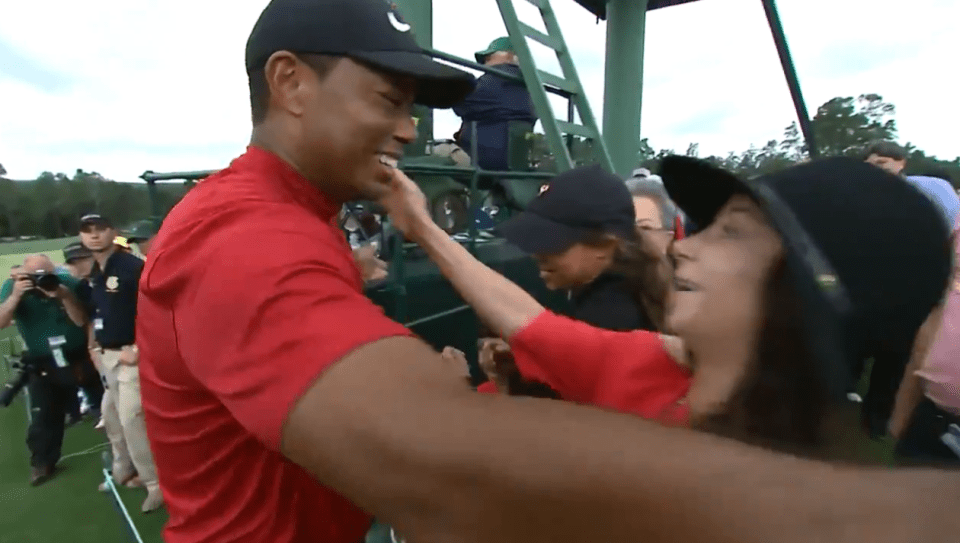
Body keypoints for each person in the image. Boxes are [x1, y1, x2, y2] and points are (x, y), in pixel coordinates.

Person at [134, 1, 960, 542]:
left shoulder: (291, 221)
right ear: (290, 84)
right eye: (388, 97)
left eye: (734, 231)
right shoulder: (245, 232)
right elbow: (445, 455)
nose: (405, 126)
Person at [79, 213, 163, 513]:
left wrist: (140, 348)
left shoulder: (131, 267)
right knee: (111, 416)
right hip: (108, 354)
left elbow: (156, 308)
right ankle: (124, 471)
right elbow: (97, 313)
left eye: (100, 229)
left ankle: (155, 484)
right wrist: (95, 345)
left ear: (112, 232)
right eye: (87, 231)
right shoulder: (97, 271)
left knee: (131, 418)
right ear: (81, 237)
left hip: (131, 355)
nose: (94, 236)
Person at [0, 254, 91, 485]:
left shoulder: (66, 283)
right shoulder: (13, 287)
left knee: (103, 401)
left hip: (79, 354)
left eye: (46, 275)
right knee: (44, 414)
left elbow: (82, 319)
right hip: (42, 359)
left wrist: (63, 294)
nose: (42, 281)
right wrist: (17, 295)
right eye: (35, 277)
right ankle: (43, 462)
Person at [454, 36, 537, 172]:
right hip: (516, 164)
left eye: (488, 58)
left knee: (433, 154)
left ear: (510, 57)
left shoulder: (492, 81)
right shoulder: (531, 89)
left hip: (481, 163)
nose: (484, 64)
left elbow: (457, 102)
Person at [61, 241, 104, 424]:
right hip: (101, 350)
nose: (78, 265)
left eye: (82, 259)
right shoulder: (83, 288)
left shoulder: (108, 279)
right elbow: (88, 320)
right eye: (72, 262)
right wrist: (91, 346)